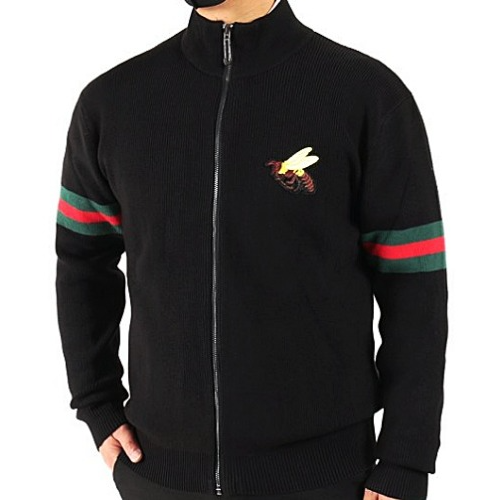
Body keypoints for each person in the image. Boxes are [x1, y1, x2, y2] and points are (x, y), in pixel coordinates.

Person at [54, 0, 448, 499]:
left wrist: (406, 459)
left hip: (327, 480)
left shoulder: (365, 95)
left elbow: (414, 285)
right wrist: (97, 403)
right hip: (157, 474)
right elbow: (83, 262)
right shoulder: (112, 102)